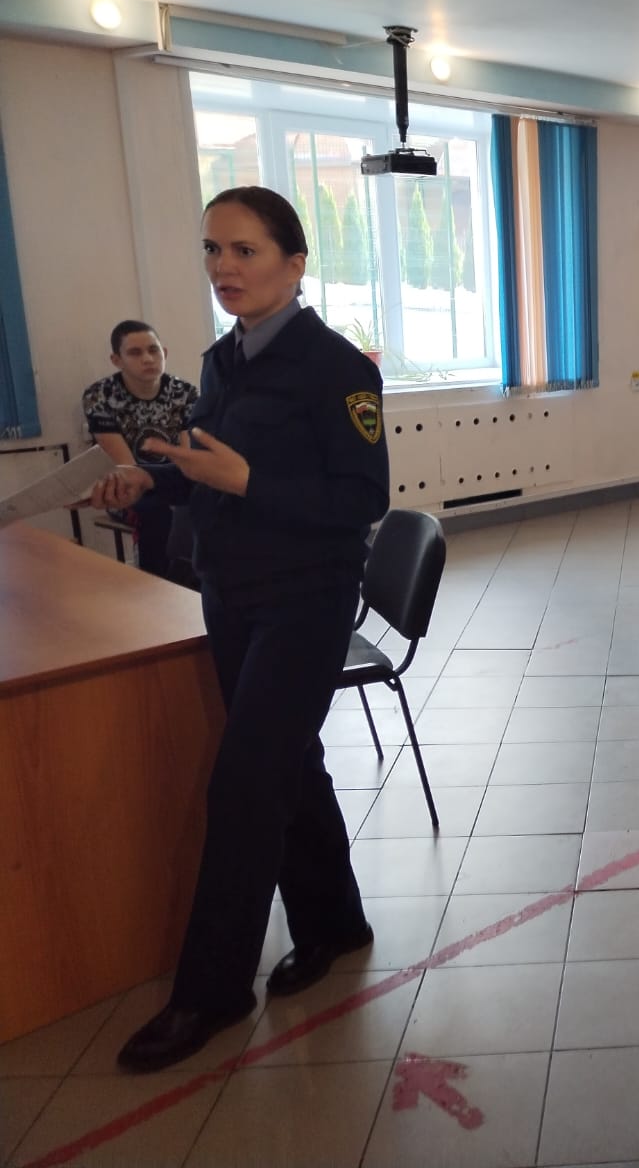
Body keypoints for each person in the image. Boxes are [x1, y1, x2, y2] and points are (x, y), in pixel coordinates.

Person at [89, 185, 390, 1072]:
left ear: (294, 264)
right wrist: (153, 481)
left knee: (246, 781)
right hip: (231, 593)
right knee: (289, 761)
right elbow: (205, 467)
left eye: (245, 251)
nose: (224, 267)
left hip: (305, 600)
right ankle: (335, 921)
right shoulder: (223, 361)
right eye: (212, 250)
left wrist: (250, 481)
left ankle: (213, 989)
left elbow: (362, 500)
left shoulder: (337, 367)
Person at [81, 321, 199, 579]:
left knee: (206, 499)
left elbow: (189, 458)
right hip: (125, 489)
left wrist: (183, 484)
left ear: (164, 353)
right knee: (154, 510)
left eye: (153, 350)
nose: (147, 359)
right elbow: (126, 468)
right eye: (135, 353)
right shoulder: (100, 396)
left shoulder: (185, 393)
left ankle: (194, 584)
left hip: (175, 480)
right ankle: (155, 584)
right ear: (117, 360)